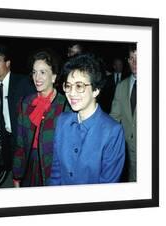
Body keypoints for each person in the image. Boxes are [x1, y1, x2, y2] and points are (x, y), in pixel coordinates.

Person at [49, 54, 125, 185]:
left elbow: (108, 187)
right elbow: (56, 172)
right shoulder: (62, 121)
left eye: (79, 86)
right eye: (68, 85)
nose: (71, 93)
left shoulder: (112, 132)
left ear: (96, 90)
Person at [12, 50, 67, 187]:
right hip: (29, 167)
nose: (37, 77)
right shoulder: (25, 103)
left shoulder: (65, 106)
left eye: (43, 72)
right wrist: (16, 176)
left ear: (54, 77)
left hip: (52, 169)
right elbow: (20, 145)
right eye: (34, 72)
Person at [0, 44, 35, 175]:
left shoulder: (22, 82)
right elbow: (5, 116)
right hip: (10, 142)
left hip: (25, 143)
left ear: (8, 63)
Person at [110, 44, 137, 182]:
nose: (135, 62)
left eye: (139, 58)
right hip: (130, 149)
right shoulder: (121, 86)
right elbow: (114, 117)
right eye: (132, 58)